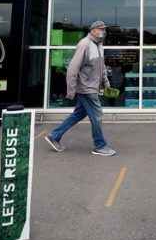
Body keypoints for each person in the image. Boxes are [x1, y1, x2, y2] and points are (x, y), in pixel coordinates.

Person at [45, 20, 116, 156]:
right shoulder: (84, 45)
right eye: (102, 29)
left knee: (79, 114)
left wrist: (106, 81)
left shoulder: (99, 45)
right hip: (86, 88)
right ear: (93, 31)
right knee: (97, 116)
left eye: (105, 29)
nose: (104, 32)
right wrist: (71, 90)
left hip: (92, 87)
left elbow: (101, 66)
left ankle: (54, 135)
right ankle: (100, 146)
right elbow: (73, 69)